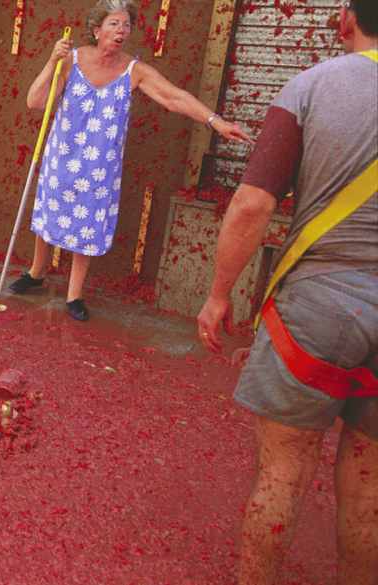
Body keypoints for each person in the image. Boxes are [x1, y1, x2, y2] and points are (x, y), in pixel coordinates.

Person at [196, 0, 377, 581]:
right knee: (370, 482)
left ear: (345, 20)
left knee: (284, 471)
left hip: (318, 310)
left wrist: (219, 293)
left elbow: (253, 204)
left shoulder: (311, 87)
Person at [8, 0, 252, 321]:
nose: (122, 30)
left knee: (89, 224)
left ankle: (74, 294)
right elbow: (35, 101)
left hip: (100, 166)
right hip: (62, 157)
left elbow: (174, 96)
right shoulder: (73, 59)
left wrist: (216, 122)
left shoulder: (134, 70)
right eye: (114, 24)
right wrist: (53, 62)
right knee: (50, 212)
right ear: (97, 30)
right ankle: (37, 271)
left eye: (126, 25)